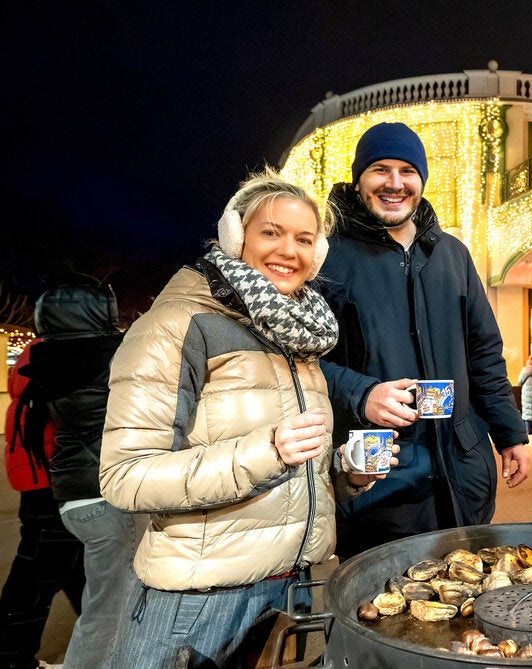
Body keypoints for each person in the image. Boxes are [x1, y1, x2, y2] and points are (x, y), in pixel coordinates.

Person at [98, 169, 393, 667]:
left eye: (304, 239)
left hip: (292, 594)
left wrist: (342, 474)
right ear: (235, 236)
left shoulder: (299, 336)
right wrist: (267, 451)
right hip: (200, 603)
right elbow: (124, 477)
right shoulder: (177, 325)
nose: (289, 251)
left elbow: (291, 472)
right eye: (271, 232)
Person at [317, 121, 530, 559]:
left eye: (406, 171)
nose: (394, 183)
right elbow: (299, 364)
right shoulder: (327, 254)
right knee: (382, 608)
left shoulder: (452, 254)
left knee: (464, 598)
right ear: (359, 181)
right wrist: (362, 394)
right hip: (379, 479)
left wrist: (511, 433)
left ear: (421, 181)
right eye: (380, 169)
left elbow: (484, 353)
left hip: (461, 471)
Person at [19, 275, 140, 669]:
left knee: (114, 606)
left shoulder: (50, 360)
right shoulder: (109, 357)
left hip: (74, 498)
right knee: (106, 615)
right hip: (107, 501)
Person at [1, 339, 85, 669]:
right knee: (37, 578)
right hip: (52, 487)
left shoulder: (28, 382)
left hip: (35, 485)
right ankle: (12, 658)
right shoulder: (54, 374)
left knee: (67, 571)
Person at [517, 355, 532, 435]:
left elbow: (519, 382)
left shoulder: (523, 372)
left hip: (526, 394)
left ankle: (528, 430)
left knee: (527, 411)